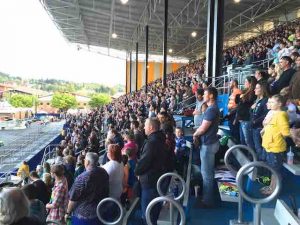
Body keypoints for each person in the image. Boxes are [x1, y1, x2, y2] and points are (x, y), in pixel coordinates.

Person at [135, 118, 168, 225]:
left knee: (149, 214)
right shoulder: (159, 138)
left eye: (145, 125)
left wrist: (137, 171)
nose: (144, 127)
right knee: (153, 211)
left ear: (151, 127)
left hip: (149, 182)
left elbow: (144, 163)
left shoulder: (151, 142)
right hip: (156, 179)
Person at [193, 87, 220, 208]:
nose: (203, 95)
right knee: (208, 172)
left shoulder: (211, 110)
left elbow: (203, 128)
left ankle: (208, 201)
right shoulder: (211, 108)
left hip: (208, 145)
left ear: (211, 96)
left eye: (205, 94)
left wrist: (195, 134)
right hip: (210, 143)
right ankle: (209, 197)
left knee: (207, 174)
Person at [66, 152, 109, 225]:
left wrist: (67, 212)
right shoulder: (103, 171)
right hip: (102, 210)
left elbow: (73, 198)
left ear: (88, 162)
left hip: (84, 216)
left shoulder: (82, 178)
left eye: (85, 159)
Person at [261, 95, 290, 195]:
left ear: (279, 104)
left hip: (276, 148)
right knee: (273, 170)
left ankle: (274, 190)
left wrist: (276, 138)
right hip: (270, 146)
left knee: (275, 171)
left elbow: (286, 132)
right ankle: (271, 188)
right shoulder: (273, 114)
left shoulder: (281, 115)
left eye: (273, 102)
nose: (270, 104)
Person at [250, 83, 269, 161]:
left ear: (262, 89)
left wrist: (255, 121)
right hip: (254, 126)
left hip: (260, 127)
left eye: (257, 88)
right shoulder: (257, 100)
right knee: (257, 147)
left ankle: (261, 166)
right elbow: (252, 112)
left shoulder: (265, 100)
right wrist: (251, 109)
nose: (254, 90)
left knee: (259, 148)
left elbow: (266, 114)